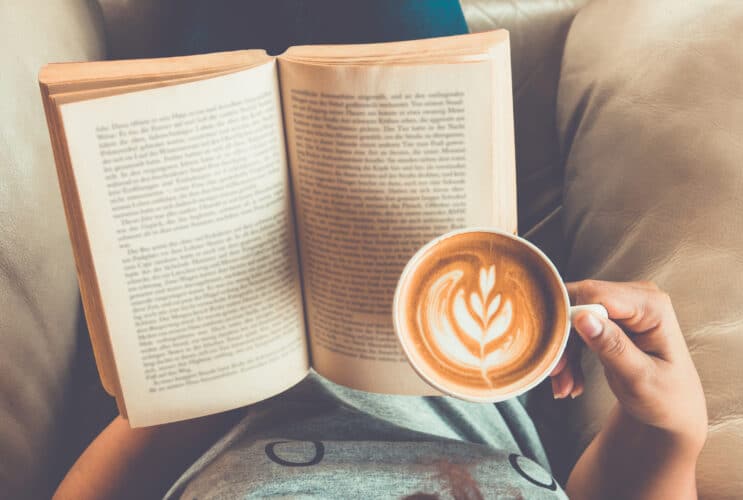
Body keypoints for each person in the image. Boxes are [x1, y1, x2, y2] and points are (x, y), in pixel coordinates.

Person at [53, 2, 708, 498]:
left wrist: (206, 388)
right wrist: (669, 433)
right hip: (460, 347)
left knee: (205, 67)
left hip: (224, 377)